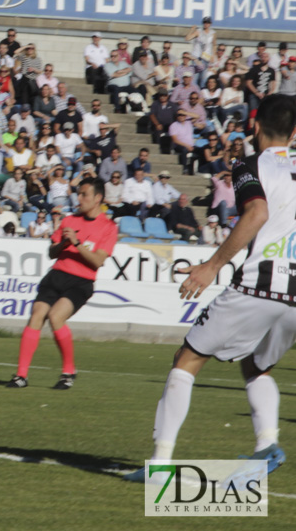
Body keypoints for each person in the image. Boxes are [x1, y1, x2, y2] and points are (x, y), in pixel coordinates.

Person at [124, 95, 296, 482]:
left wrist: (211, 266)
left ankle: (160, 465)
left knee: (187, 361)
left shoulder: (250, 163)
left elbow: (257, 213)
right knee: (256, 366)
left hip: (258, 286)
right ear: (295, 132)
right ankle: (267, 444)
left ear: (254, 127)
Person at [7, 177, 118, 390]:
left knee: (55, 317)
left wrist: (76, 244)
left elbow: (97, 261)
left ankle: (69, 371)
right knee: (37, 315)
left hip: (81, 281)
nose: (80, 197)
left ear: (98, 198)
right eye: (79, 193)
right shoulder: (69, 220)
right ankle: (21, 376)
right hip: (56, 275)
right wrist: (63, 243)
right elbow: (51, 252)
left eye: (84, 194)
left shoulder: (108, 227)